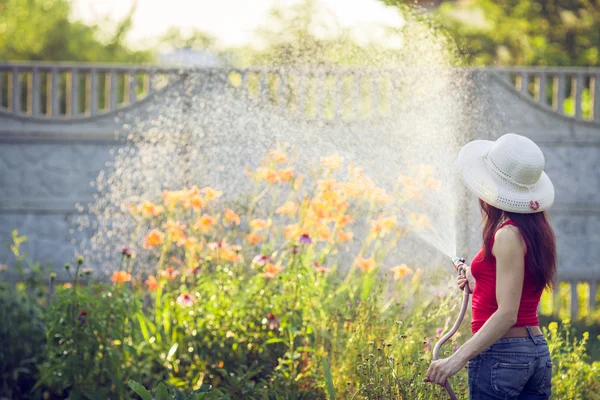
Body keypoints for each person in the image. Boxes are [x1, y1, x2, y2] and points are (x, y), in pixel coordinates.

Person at [425, 133, 557, 399]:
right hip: (535, 352)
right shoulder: (535, 231)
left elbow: (508, 314)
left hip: (503, 355)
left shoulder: (507, 235)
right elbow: (518, 293)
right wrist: (479, 284)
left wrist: (455, 359)